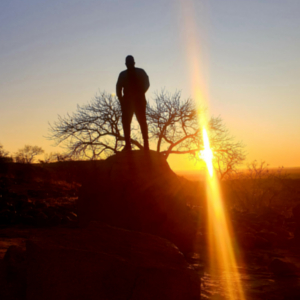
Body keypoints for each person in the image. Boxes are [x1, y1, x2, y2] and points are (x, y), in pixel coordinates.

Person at [116, 55, 150, 151]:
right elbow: (118, 88)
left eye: (131, 63)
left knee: (142, 122)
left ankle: (146, 144)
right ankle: (128, 144)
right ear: (126, 64)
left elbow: (147, 83)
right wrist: (121, 100)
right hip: (127, 102)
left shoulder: (141, 72)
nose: (129, 65)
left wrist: (140, 93)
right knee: (126, 122)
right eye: (128, 63)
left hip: (139, 101)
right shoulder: (122, 74)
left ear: (134, 63)